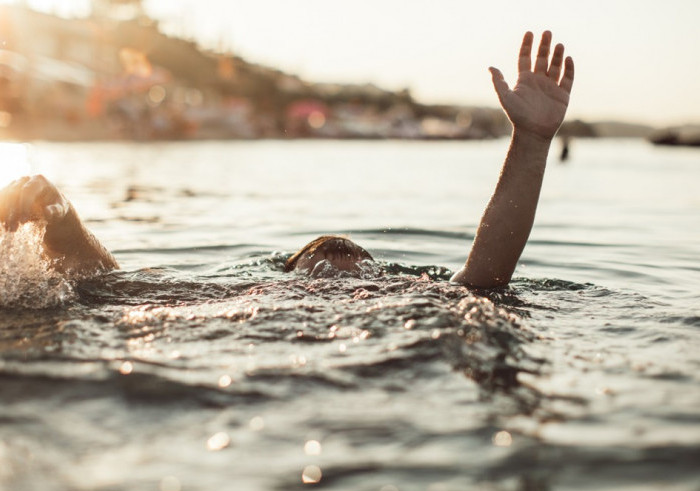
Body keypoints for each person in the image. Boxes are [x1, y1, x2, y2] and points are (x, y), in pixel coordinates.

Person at [0, 31, 573, 288]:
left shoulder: (406, 295)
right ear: (289, 277)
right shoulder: (248, 296)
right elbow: (114, 293)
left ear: (376, 276)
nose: (339, 251)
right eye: (322, 259)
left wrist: (532, 142)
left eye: (351, 258)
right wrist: (60, 218)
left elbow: (484, 277)